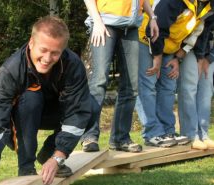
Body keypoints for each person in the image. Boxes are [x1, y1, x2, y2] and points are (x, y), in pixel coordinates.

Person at [0, 16, 98, 185]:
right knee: (31, 98)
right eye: (43, 50)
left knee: (91, 106)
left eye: (55, 53)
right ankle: (26, 167)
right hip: (23, 116)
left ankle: (49, 155)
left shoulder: (73, 66)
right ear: (31, 43)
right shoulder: (11, 70)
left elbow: (77, 113)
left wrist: (58, 156)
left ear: (63, 50)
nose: (47, 58)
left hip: (56, 113)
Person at [81, 0, 159, 153]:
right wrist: (97, 21)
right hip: (104, 23)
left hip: (130, 28)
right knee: (99, 81)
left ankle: (120, 138)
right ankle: (89, 137)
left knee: (131, 86)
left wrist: (152, 17)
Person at [136, 0, 213, 148]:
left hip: (169, 47)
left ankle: (167, 131)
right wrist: (157, 59)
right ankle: (152, 133)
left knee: (168, 87)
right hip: (147, 39)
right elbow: (158, 25)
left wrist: (178, 58)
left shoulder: (205, 7)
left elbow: (195, 33)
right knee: (148, 85)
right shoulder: (175, 1)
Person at [178, 14, 214, 150]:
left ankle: (203, 134)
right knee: (189, 87)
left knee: (206, 90)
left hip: (207, 51)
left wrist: (208, 58)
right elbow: (200, 29)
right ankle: (190, 135)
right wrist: (200, 57)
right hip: (187, 46)